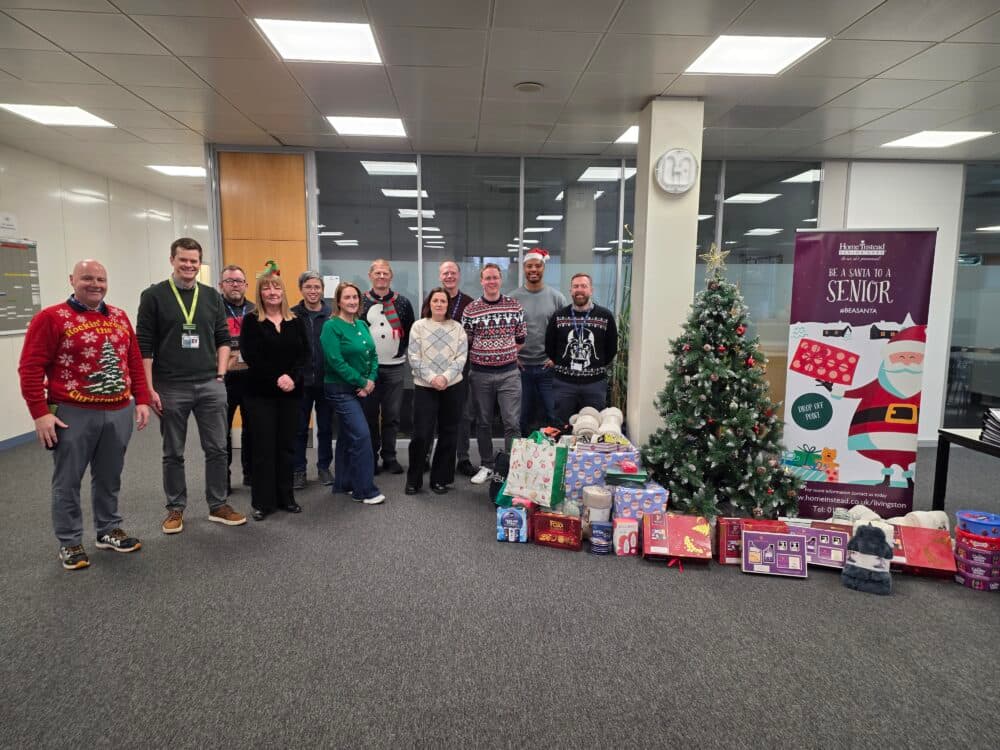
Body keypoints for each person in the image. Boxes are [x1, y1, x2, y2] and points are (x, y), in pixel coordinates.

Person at [18, 259, 152, 570]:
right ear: (72, 280)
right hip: (72, 412)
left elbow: (132, 360)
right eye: (87, 278)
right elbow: (30, 368)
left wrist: (141, 399)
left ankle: (107, 530)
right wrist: (40, 413)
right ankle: (70, 541)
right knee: (67, 480)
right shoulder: (51, 318)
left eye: (101, 279)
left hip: (119, 410)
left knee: (109, 476)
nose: (95, 284)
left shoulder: (119, 316)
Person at [136, 237, 246, 533]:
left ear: (200, 264)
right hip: (171, 386)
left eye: (194, 261)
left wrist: (221, 374)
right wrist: (148, 389)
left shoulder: (211, 296)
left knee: (218, 448)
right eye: (183, 260)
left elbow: (223, 338)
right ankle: (175, 508)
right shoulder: (153, 296)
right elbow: (143, 346)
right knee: (173, 451)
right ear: (172, 260)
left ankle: (218, 504)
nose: (189, 265)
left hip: (210, 383)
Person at [239, 271, 311, 521]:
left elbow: (305, 355)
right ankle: (263, 502)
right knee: (263, 449)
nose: (272, 293)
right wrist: (276, 378)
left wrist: (292, 377)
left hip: (291, 394)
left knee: (287, 447)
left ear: (283, 291)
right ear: (259, 293)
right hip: (261, 395)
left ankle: (286, 497)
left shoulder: (296, 321)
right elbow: (251, 356)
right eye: (267, 288)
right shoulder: (251, 321)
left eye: (276, 288)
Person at [321, 281, 385, 506]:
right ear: (338, 301)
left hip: (361, 388)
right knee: (362, 436)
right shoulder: (331, 327)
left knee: (349, 436)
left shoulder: (362, 324)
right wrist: (361, 381)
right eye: (347, 297)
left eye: (355, 298)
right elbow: (335, 361)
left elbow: (373, 355)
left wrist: (371, 379)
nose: (351, 301)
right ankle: (364, 490)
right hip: (339, 389)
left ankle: (344, 483)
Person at [461, 263, 526, 485]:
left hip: (509, 373)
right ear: (481, 281)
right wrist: (488, 355)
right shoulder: (471, 310)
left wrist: (502, 354)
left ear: (501, 280)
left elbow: (520, 339)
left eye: (495, 277)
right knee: (483, 423)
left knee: (512, 423)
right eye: (487, 278)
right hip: (480, 375)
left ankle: (511, 468)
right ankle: (487, 465)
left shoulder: (514, 306)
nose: (491, 281)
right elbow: (467, 341)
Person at [405, 288, 468, 495]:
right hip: (425, 387)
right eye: (436, 300)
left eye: (443, 301)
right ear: (429, 304)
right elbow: (413, 357)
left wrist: (445, 377)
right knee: (421, 434)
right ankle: (413, 480)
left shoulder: (457, 328)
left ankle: (440, 479)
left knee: (449, 434)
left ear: (448, 305)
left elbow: (461, 358)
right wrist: (433, 378)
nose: (439, 304)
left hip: (453, 386)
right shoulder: (418, 326)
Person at [361, 259, 414, 475]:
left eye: (385, 273)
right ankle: (371, 457)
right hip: (368, 370)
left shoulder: (403, 303)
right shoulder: (361, 301)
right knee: (370, 416)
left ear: (390, 276)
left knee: (392, 416)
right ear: (370, 275)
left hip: (395, 368)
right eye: (378, 273)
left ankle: (390, 457)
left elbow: (410, 331)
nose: (381, 277)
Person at [545, 272, 618, 426]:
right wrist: (563, 364)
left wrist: (595, 366)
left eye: (584, 286)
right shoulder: (558, 316)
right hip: (564, 384)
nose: (579, 290)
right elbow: (549, 346)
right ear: (570, 290)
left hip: (595, 385)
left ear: (591, 290)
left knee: (593, 427)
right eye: (576, 286)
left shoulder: (605, 316)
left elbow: (611, 348)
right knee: (561, 426)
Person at [510, 247, 566, 435]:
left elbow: (565, 333)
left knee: (553, 415)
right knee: (522, 416)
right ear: (524, 269)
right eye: (529, 266)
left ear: (544, 268)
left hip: (547, 368)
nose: (533, 270)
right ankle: (523, 458)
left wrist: (557, 358)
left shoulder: (557, 298)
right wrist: (512, 356)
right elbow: (506, 331)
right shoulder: (513, 298)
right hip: (521, 368)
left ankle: (554, 458)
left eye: (537, 266)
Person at [291, 270, 334, 489]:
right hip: (301, 382)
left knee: (325, 428)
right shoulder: (291, 315)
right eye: (308, 287)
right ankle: (298, 470)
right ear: (301, 289)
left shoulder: (332, 314)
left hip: (327, 382)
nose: (313, 291)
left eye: (317, 287)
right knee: (299, 429)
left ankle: (324, 468)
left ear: (322, 290)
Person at [439, 260, 478, 477]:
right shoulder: (433, 300)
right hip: (436, 367)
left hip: (463, 366)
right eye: (445, 273)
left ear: (459, 276)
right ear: (440, 276)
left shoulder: (469, 303)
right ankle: (432, 456)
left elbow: (473, 335)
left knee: (463, 413)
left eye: (453, 273)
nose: (449, 276)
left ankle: (462, 458)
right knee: (436, 412)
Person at [219, 264, 255, 491]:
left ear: (246, 285)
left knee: (252, 429)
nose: (235, 285)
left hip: (251, 377)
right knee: (222, 432)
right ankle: (223, 478)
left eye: (239, 281)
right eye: (230, 281)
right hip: (223, 378)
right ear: (221, 285)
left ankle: (250, 474)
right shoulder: (213, 308)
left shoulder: (254, 309)